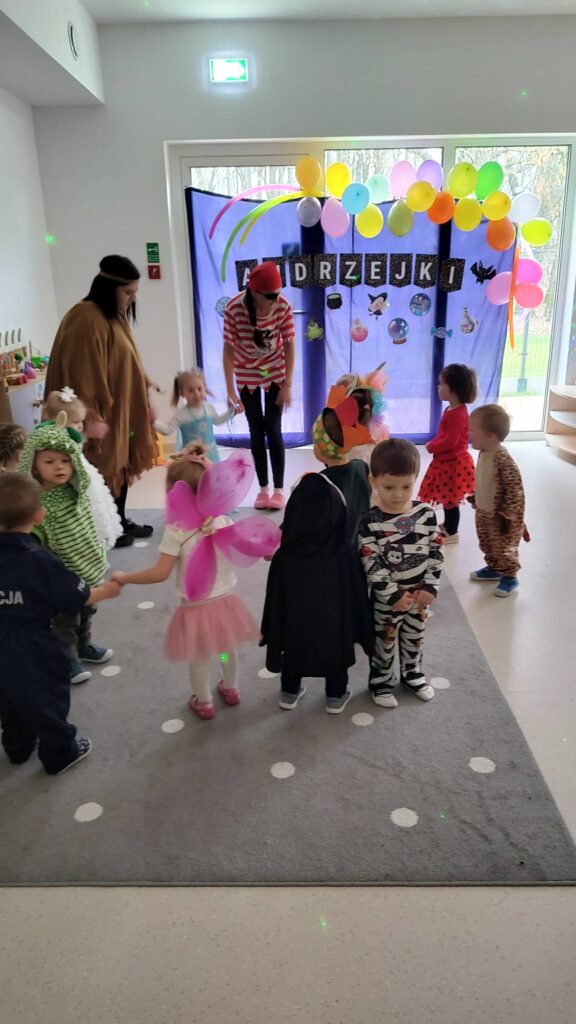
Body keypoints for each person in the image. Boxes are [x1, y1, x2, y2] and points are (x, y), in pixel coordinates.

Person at [111, 446, 260, 721]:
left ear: (173, 493)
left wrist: (126, 577)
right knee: (225, 650)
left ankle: (204, 702)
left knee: (199, 657)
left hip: (196, 609)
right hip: (225, 603)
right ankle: (231, 688)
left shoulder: (176, 530)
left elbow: (159, 573)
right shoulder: (223, 520)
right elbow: (248, 546)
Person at [0, 474, 120, 775]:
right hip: (34, 644)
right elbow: (76, 597)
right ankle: (60, 753)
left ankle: (17, 748)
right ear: (39, 516)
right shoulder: (40, 560)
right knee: (47, 699)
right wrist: (107, 590)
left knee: (9, 698)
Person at [44, 254, 157, 547]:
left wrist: (144, 401)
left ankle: (118, 520)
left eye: (135, 292)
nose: (132, 299)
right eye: (128, 292)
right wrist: (90, 419)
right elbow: (81, 375)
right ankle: (104, 529)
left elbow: (130, 364)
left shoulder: (113, 316)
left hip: (119, 410)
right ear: (110, 288)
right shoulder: (85, 318)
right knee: (104, 467)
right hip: (97, 415)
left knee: (119, 464)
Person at [261, 473, 373, 714]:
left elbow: (275, 600)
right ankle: (336, 695)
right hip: (334, 630)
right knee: (336, 658)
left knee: (292, 655)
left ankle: (289, 692)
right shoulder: (345, 554)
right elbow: (357, 594)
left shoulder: (284, 557)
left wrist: (273, 628)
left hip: (295, 628)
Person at [19, 417, 112, 684]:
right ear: (34, 466)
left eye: (65, 461)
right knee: (65, 619)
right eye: (49, 462)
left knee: (88, 609)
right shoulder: (36, 502)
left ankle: (83, 646)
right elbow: (34, 543)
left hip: (86, 565)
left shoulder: (75, 491)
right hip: (61, 574)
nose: (59, 467)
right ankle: (67, 659)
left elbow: (85, 527)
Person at [358, 438, 444, 709]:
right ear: (374, 481)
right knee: (384, 643)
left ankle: (413, 675)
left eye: (406, 486)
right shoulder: (370, 521)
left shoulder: (426, 515)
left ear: (416, 478)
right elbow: (371, 563)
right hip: (387, 601)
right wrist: (393, 595)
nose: (398, 494)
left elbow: (436, 552)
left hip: (419, 597)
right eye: (389, 487)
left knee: (414, 638)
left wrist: (430, 587)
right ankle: (381, 682)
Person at [223, 262, 295, 510]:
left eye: (278, 294)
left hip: (273, 371)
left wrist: (287, 384)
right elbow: (228, 350)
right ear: (254, 292)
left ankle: (278, 490)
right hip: (247, 373)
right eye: (270, 296)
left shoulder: (283, 306)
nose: (276, 300)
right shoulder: (234, 309)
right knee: (256, 430)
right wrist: (230, 390)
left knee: (273, 429)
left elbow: (289, 345)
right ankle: (263, 489)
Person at [42, 388, 123, 550]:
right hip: (77, 493)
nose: (80, 426)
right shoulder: (57, 447)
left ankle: (97, 548)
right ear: (59, 421)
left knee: (97, 518)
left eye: (81, 421)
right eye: (75, 422)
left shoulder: (71, 441)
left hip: (87, 487)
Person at [468, 404, 530, 598]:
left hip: (502, 517)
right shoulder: (483, 452)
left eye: (472, 430)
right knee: (487, 543)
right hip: (484, 511)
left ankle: (510, 576)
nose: (469, 434)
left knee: (503, 547)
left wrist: (507, 516)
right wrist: (476, 497)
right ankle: (494, 568)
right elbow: (485, 479)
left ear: (490, 436)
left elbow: (514, 490)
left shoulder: (503, 459)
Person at [418, 363, 478, 544]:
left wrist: (432, 446)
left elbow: (450, 441)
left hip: (453, 463)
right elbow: (443, 434)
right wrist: (434, 442)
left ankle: (452, 532)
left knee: (450, 500)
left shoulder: (458, 414)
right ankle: (448, 526)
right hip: (446, 461)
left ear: (453, 390)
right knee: (447, 498)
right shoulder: (451, 409)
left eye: (442, 384)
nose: (438, 387)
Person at [311, 388, 372, 543]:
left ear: (323, 448)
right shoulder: (362, 467)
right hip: (357, 545)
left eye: (315, 442)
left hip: (331, 551)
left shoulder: (320, 483)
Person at [154, 367, 234, 463]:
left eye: (199, 389)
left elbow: (218, 421)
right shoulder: (182, 414)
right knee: (193, 473)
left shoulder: (208, 407)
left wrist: (232, 411)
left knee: (211, 473)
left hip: (210, 455)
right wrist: (153, 421)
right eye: (191, 390)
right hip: (191, 458)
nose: (196, 393)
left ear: (204, 388)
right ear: (182, 393)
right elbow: (167, 430)